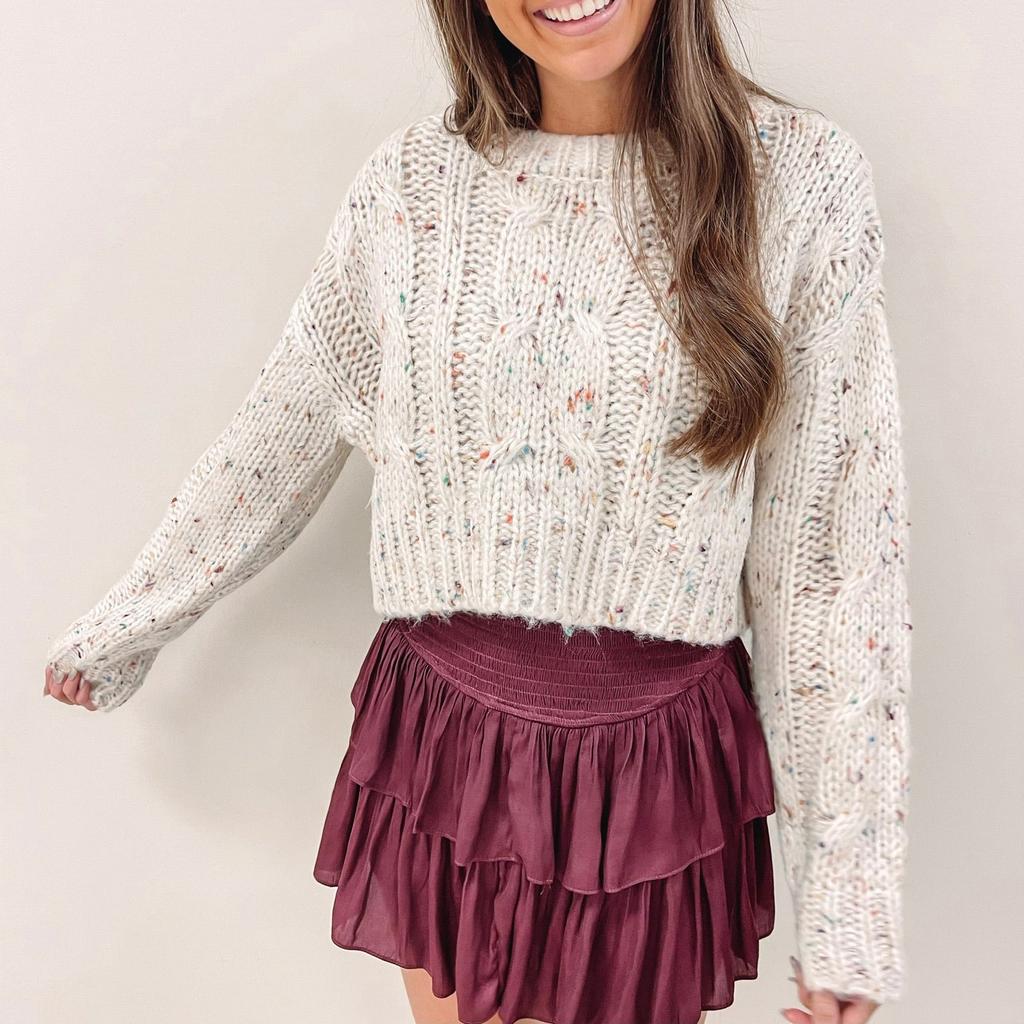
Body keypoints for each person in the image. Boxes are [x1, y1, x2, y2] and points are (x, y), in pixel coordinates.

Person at [43, 1, 914, 1023]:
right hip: (450, 744)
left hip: (651, 772)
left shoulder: (800, 181)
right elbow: (284, 428)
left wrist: (847, 906)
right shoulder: (410, 187)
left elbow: (831, 558)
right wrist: (135, 618)